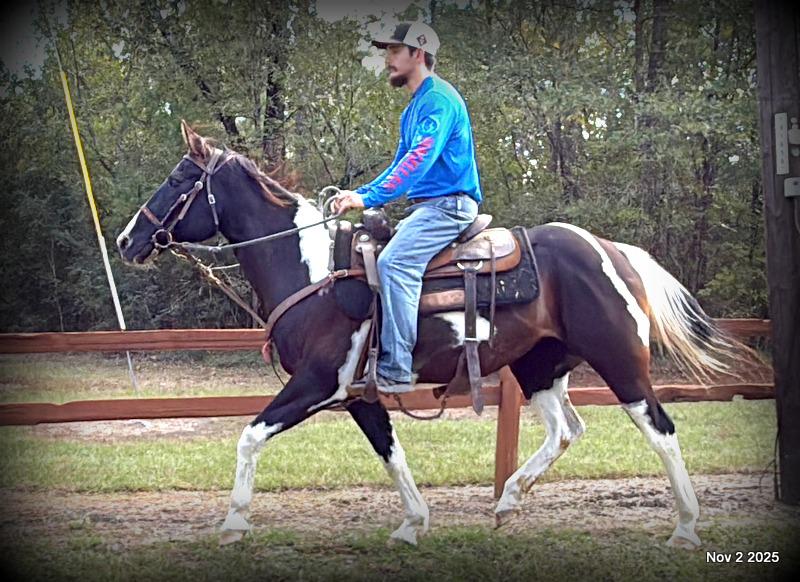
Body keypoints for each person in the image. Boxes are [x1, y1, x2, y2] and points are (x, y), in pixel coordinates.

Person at [333, 21, 482, 394]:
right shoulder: (413, 110)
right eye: (386, 51)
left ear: (418, 53)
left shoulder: (439, 100)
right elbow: (399, 165)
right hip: (427, 207)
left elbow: (419, 159)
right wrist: (361, 192)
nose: (388, 59)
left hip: (449, 206)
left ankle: (397, 370)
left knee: (394, 262)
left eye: (395, 51)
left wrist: (367, 198)